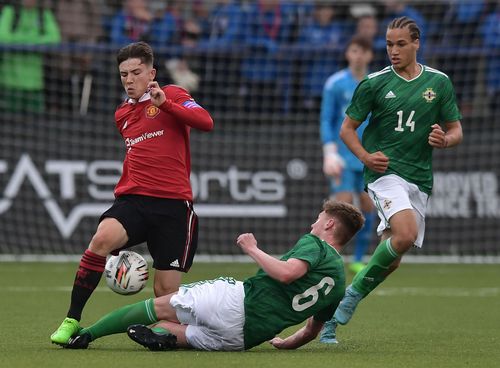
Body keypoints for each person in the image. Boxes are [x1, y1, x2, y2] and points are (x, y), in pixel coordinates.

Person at [50, 41, 214, 346]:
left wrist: (165, 103)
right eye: (123, 73)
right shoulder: (122, 113)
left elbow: (206, 122)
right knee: (101, 239)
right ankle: (72, 319)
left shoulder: (174, 95)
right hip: (134, 200)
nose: (129, 79)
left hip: (174, 207)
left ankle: (179, 336)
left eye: (136, 72)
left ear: (151, 72)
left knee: (165, 294)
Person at [61, 200, 365, 351]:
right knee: (165, 327)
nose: (314, 224)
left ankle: (88, 334)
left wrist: (253, 248)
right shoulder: (339, 283)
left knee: (158, 306)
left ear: (329, 226)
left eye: (319, 219)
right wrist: (283, 344)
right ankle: (166, 339)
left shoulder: (315, 245)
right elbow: (311, 331)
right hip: (245, 338)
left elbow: (287, 273)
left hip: (237, 302)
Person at [332, 16, 463, 335]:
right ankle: (348, 299)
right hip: (385, 174)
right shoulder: (374, 83)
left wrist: (444, 140)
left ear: (417, 43)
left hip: (419, 179)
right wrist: (365, 156)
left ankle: (337, 312)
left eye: (401, 44)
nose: (394, 50)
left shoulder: (438, 82)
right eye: (389, 44)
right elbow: (346, 129)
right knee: (404, 235)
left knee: (393, 258)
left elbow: (456, 129)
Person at [318, 35, 376, 344]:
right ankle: (332, 257)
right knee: (342, 208)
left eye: (363, 51)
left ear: (368, 56)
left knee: (368, 208)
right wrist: (329, 150)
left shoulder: (375, 83)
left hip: (367, 156)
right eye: (353, 50)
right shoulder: (335, 83)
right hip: (343, 154)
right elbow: (327, 119)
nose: (357, 55)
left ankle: (357, 258)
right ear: (347, 52)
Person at [0, 0, 61, 114]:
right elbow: (2, 37)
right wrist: (31, 40)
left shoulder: (43, 14)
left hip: (35, 85)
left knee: (36, 126)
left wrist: (20, 40)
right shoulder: (10, 12)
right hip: (11, 85)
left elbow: (54, 38)